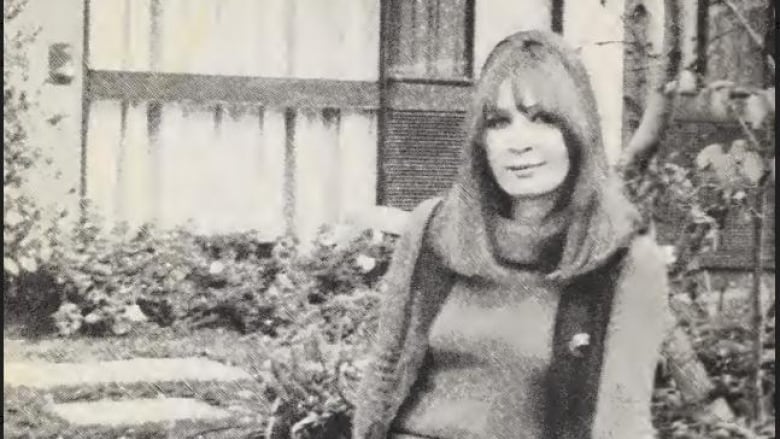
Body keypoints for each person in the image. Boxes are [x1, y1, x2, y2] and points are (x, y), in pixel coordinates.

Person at [352, 30, 678, 439]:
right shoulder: (433, 228)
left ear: (577, 133)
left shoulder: (625, 259)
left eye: (541, 119)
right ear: (480, 140)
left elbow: (621, 421)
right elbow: (384, 373)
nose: (517, 143)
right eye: (499, 122)